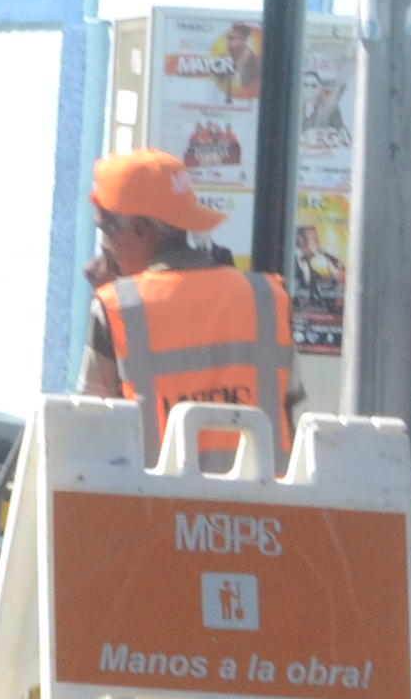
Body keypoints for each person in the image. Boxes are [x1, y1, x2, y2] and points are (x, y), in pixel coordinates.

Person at [79, 148, 293, 464]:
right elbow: (292, 409)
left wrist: (111, 300)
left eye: (105, 231)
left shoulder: (117, 308)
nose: (102, 249)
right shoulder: (269, 297)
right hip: (266, 508)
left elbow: (88, 429)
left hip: (156, 507)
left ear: (141, 230)